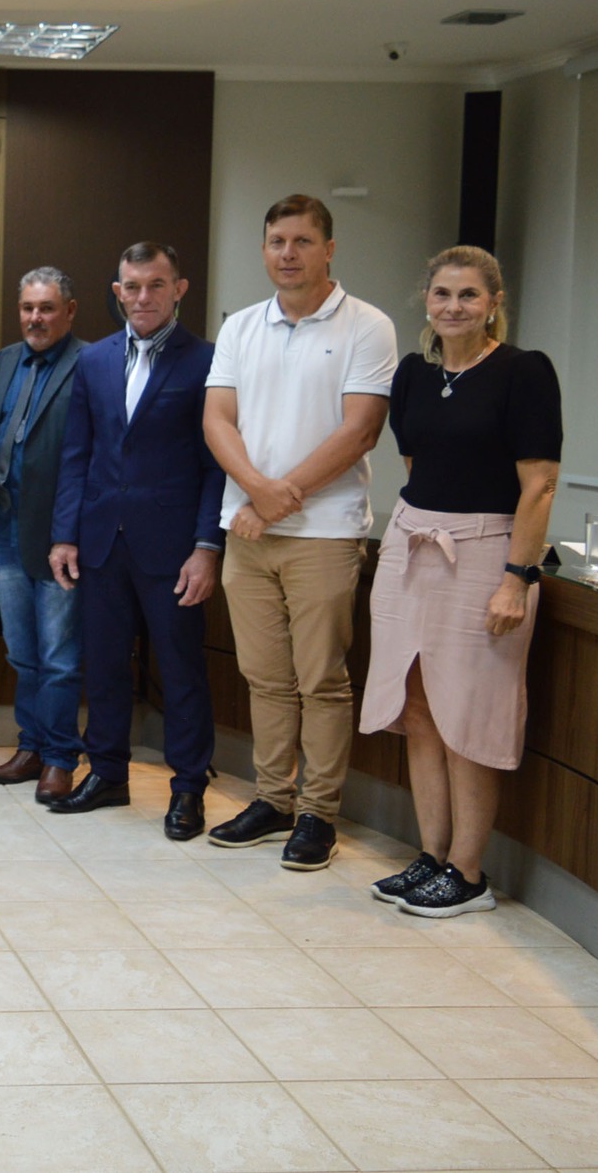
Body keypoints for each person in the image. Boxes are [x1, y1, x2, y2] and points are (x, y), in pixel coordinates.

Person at [359, 247, 560, 916]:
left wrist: (516, 579)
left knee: (465, 715)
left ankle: (468, 874)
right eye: (442, 294)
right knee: (418, 709)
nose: (454, 306)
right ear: (427, 300)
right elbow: (418, 465)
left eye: (469, 295)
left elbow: (540, 485)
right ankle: (432, 855)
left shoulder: (523, 372)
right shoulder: (413, 374)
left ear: (494, 303)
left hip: (483, 554)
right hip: (411, 546)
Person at [202, 195, 396, 869]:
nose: (288, 253)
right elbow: (217, 420)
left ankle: (318, 814)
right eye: (277, 241)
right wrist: (257, 493)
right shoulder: (241, 327)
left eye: (303, 241)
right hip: (247, 529)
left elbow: (360, 430)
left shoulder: (367, 325)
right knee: (264, 678)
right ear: (264, 250)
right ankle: (273, 799)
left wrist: (275, 500)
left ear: (329, 249)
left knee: (321, 681)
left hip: (325, 533)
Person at [47, 243, 224, 838]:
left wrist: (207, 546)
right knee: (103, 666)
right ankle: (107, 774)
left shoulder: (207, 361)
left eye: (155, 285)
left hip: (173, 546)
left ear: (179, 289)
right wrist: (64, 535)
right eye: (132, 286)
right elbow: (77, 455)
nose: (142, 297)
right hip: (101, 540)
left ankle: (189, 787)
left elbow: (215, 466)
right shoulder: (94, 360)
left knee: (180, 669)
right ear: (117, 291)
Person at [0, 267, 85, 803]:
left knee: (59, 657)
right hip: (5, 531)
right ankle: (31, 747)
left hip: (59, 539)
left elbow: (92, 459)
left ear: (69, 311)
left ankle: (60, 757)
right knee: (22, 653)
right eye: (28, 308)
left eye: (47, 308)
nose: (36, 318)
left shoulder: (90, 366)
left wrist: (71, 533)